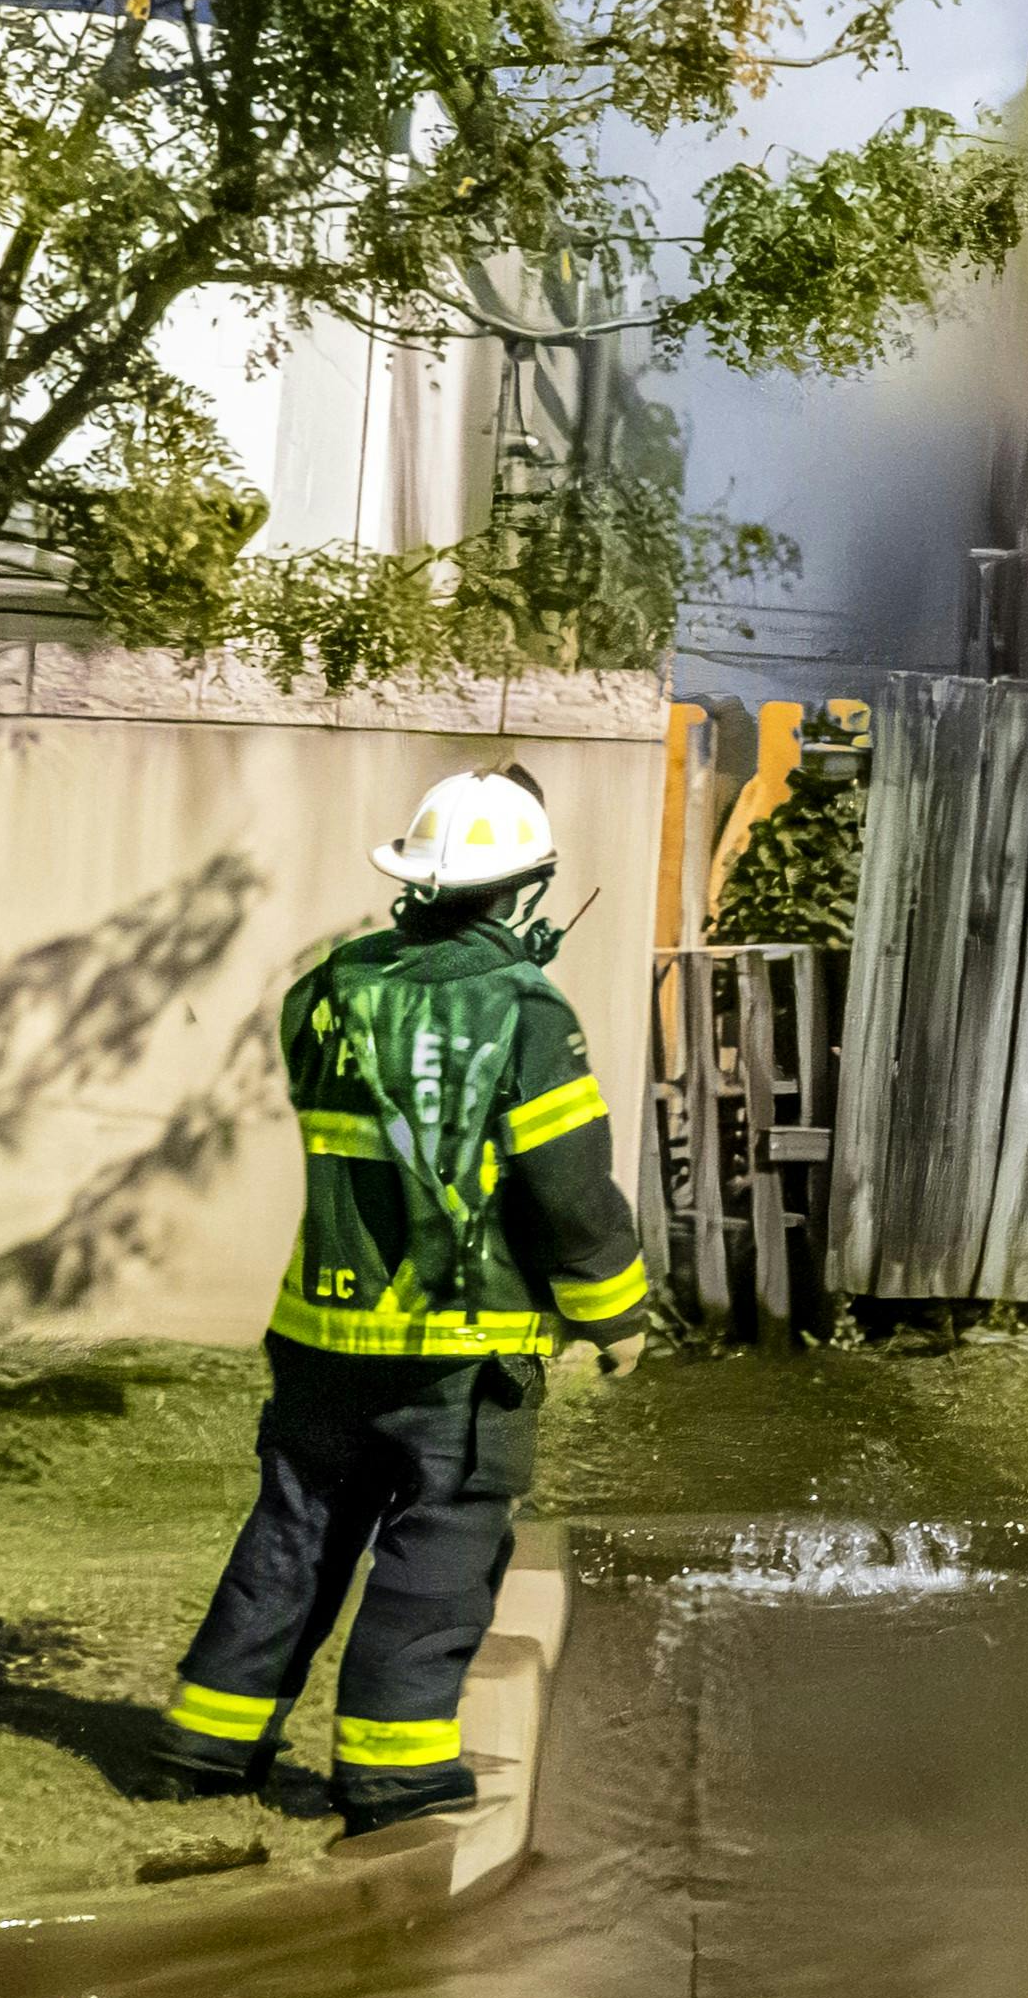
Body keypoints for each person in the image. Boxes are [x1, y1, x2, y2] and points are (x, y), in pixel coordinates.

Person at [146, 769, 654, 1827]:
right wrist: (616, 1312)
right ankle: (395, 1772)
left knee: (295, 1527)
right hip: (460, 1346)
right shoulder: (525, 1010)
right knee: (440, 1541)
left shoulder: (329, 985)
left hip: (322, 1333)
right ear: (528, 888)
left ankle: (206, 1743)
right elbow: (568, 1187)